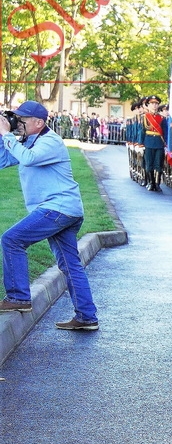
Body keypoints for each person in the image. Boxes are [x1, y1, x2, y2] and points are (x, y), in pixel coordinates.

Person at [0, 102, 99, 329]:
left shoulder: (50, 141)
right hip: (64, 210)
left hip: (57, 209)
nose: (18, 123)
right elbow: (3, 160)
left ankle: (18, 297)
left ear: (39, 123)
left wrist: (6, 134)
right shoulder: (29, 141)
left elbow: (28, 159)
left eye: (22, 120)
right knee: (70, 265)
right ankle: (86, 317)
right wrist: (2, 135)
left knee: (12, 239)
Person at [138, 96, 168, 192]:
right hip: (148, 142)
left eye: (156, 103)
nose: (154, 105)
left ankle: (157, 184)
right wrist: (141, 144)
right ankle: (151, 183)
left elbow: (165, 132)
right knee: (149, 164)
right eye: (152, 103)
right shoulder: (145, 117)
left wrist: (166, 144)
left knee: (158, 164)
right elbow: (142, 131)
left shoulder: (162, 118)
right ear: (148, 105)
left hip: (159, 143)